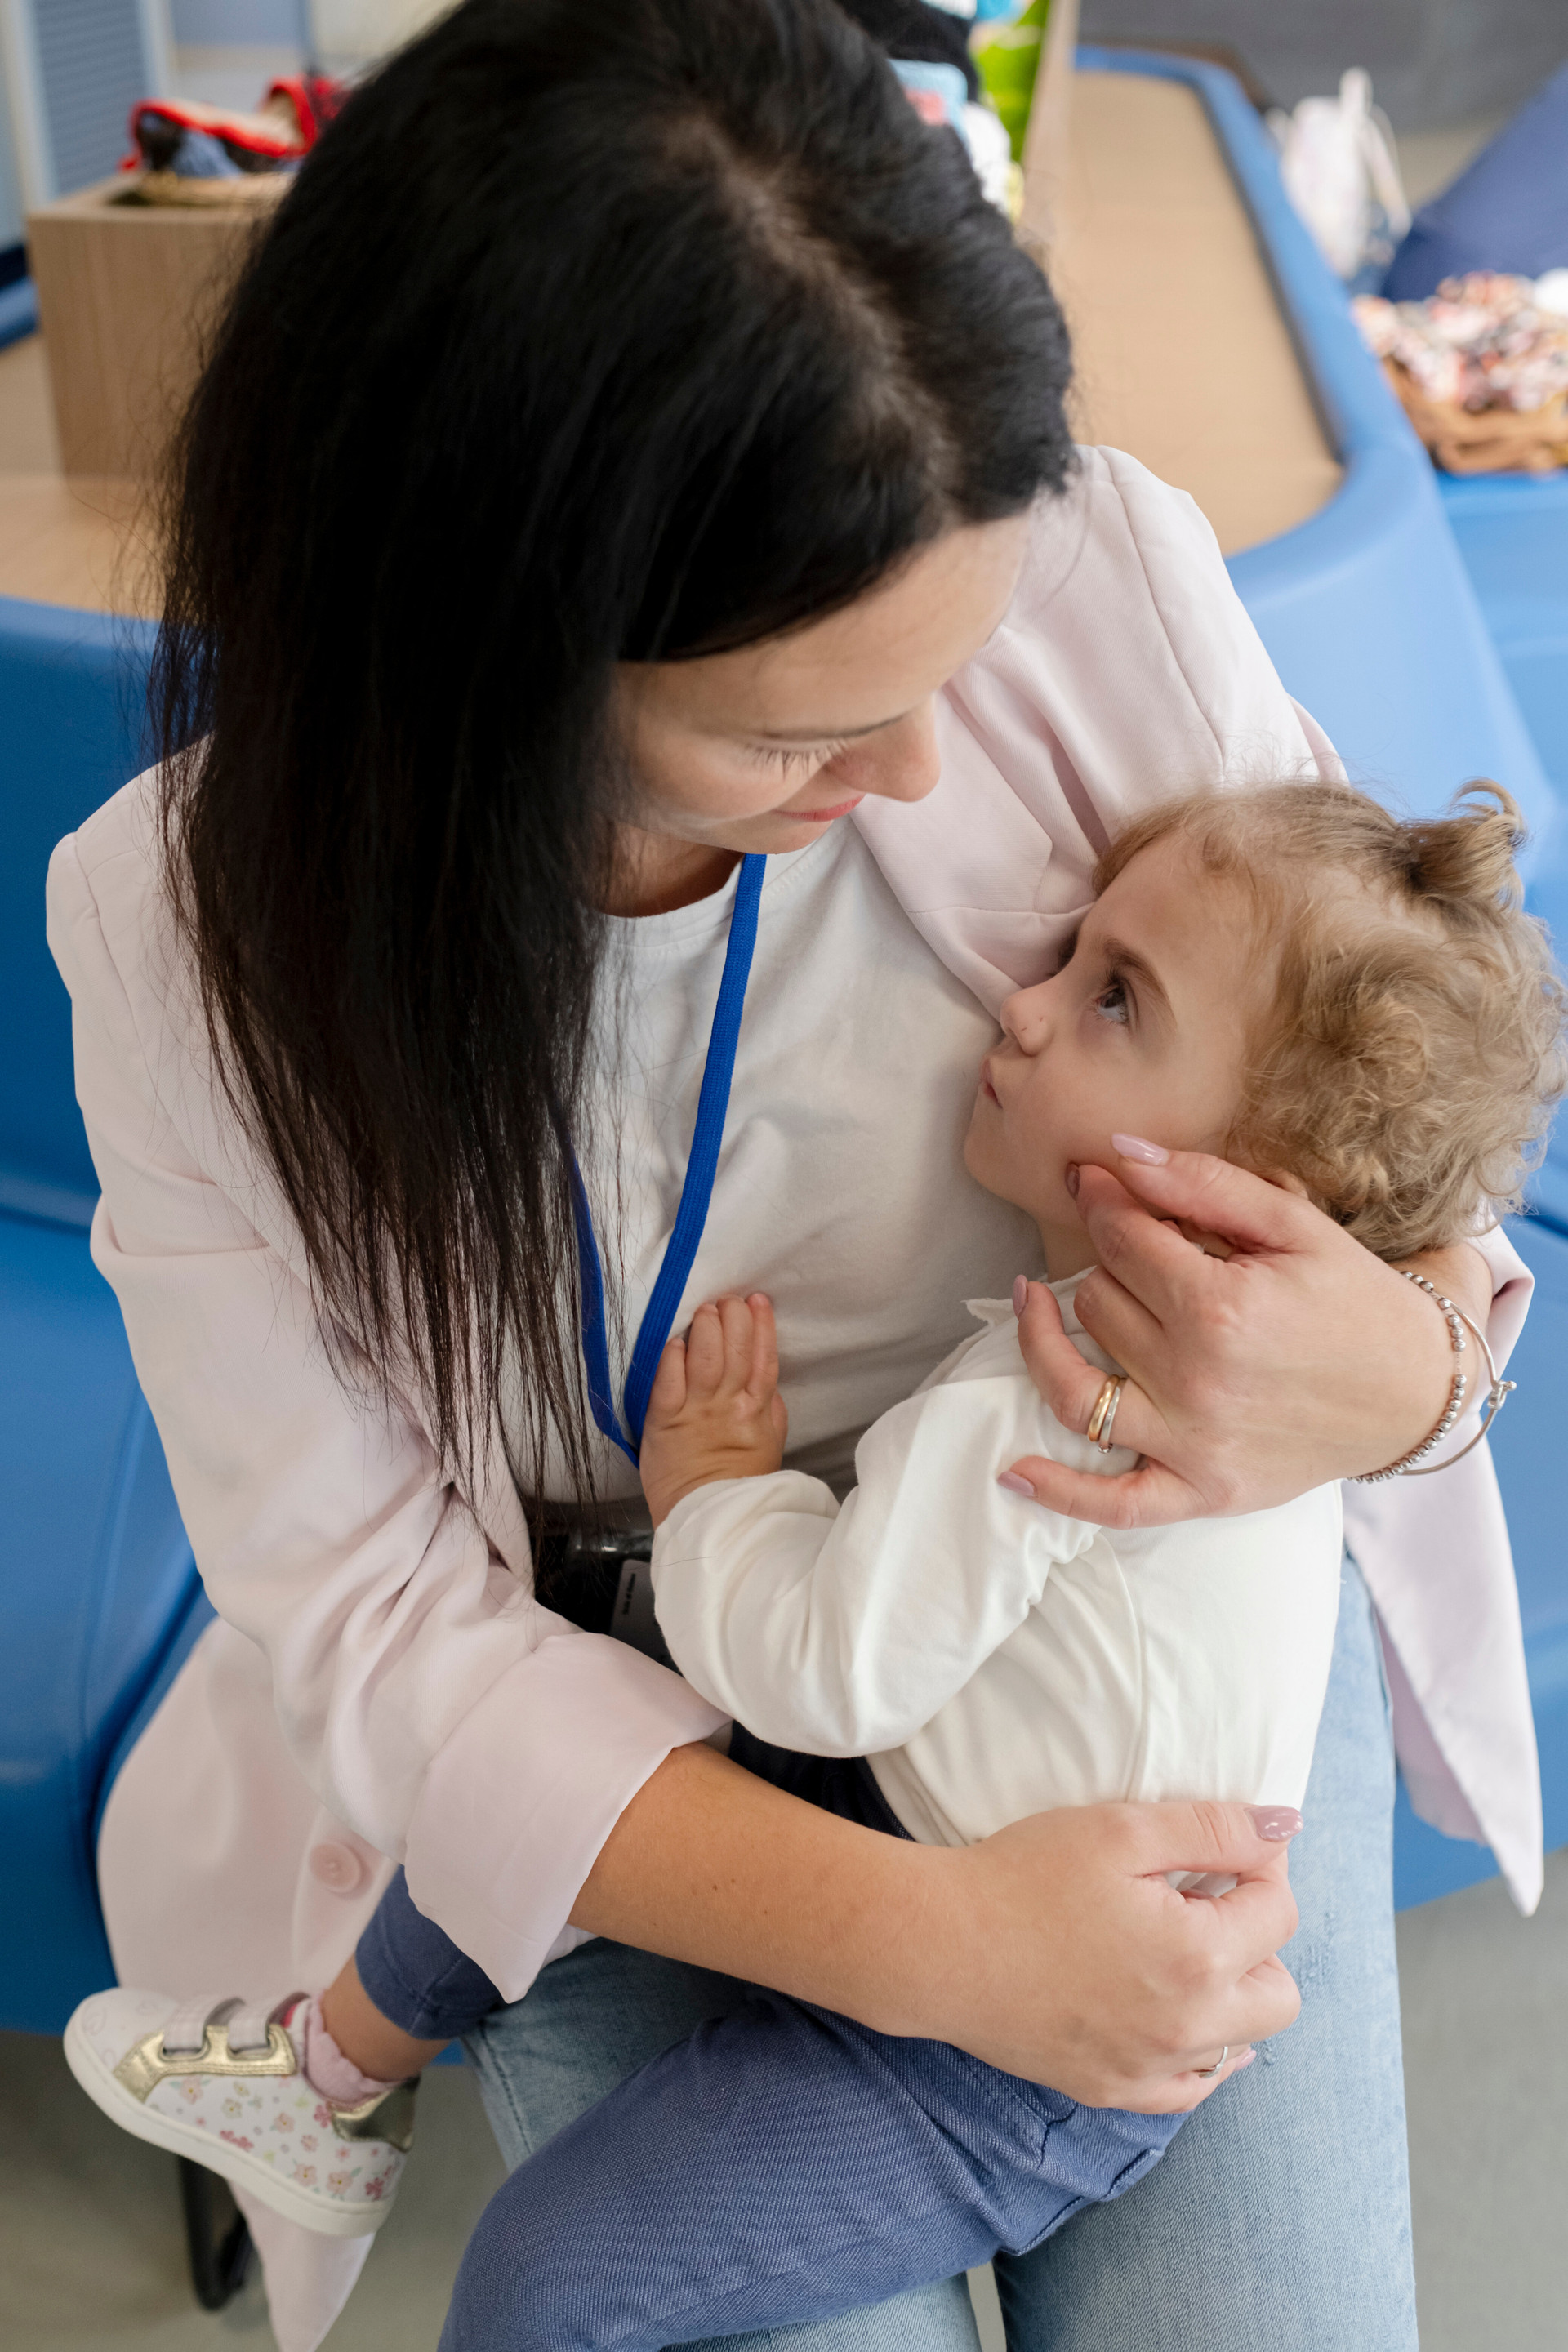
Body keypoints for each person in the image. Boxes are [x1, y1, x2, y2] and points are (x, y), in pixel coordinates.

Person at [45, 3, 1539, 2348]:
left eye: (951, 664)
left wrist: (1411, 1364)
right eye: (799, 727)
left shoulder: (1093, 584)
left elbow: (1404, 1082)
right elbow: (372, 1614)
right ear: (480, 665)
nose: (933, 764)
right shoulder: (177, 941)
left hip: (1104, 1650)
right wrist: (945, 1947)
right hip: (625, 1701)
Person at [65, 778, 1562, 2350]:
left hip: (1001, 2059)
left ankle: (325, 2072)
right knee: (552, 1752)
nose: (1029, 1001)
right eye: (1072, 953)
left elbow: (820, 1671)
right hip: (947, 1791)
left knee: (543, 2283)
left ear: (1261, 1189)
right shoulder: (1192, 1365)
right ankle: (324, 2074)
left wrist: (716, 1491)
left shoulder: (1038, 1402)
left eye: (1114, 997)